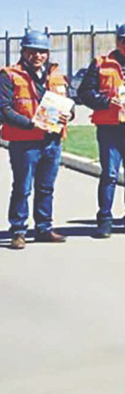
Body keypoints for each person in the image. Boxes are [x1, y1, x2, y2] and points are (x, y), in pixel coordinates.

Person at [77, 22, 125, 238]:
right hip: (110, 129)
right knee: (110, 175)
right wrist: (106, 101)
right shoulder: (101, 64)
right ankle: (104, 219)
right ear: (117, 41)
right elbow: (84, 93)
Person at [1, 30, 72, 249]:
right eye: (32, 52)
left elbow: (70, 104)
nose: (38, 56)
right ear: (23, 52)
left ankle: (43, 227)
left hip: (52, 140)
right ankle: (18, 230)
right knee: (22, 187)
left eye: (42, 52)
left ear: (48, 53)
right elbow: (3, 109)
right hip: (24, 141)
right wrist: (30, 124)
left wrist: (69, 114)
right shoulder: (9, 75)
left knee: (46, 187)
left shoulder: (56, 75)